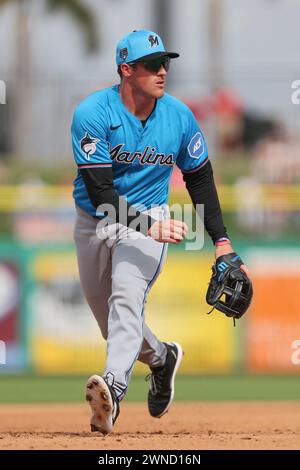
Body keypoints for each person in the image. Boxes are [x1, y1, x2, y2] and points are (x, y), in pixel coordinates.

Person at [71, 29, 248, 435]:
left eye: (165, 62)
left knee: (125, 301)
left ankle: (113, 389)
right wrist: (150, 224)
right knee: (110, 319)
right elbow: (101, 193)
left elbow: (200, 179)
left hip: (148, 219)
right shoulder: (92, 113)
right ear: (126, 70)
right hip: (96, 219)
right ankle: (161, 358)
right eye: (152, 64)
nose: (162, 70)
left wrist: (222, 243)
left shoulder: (179, 117)